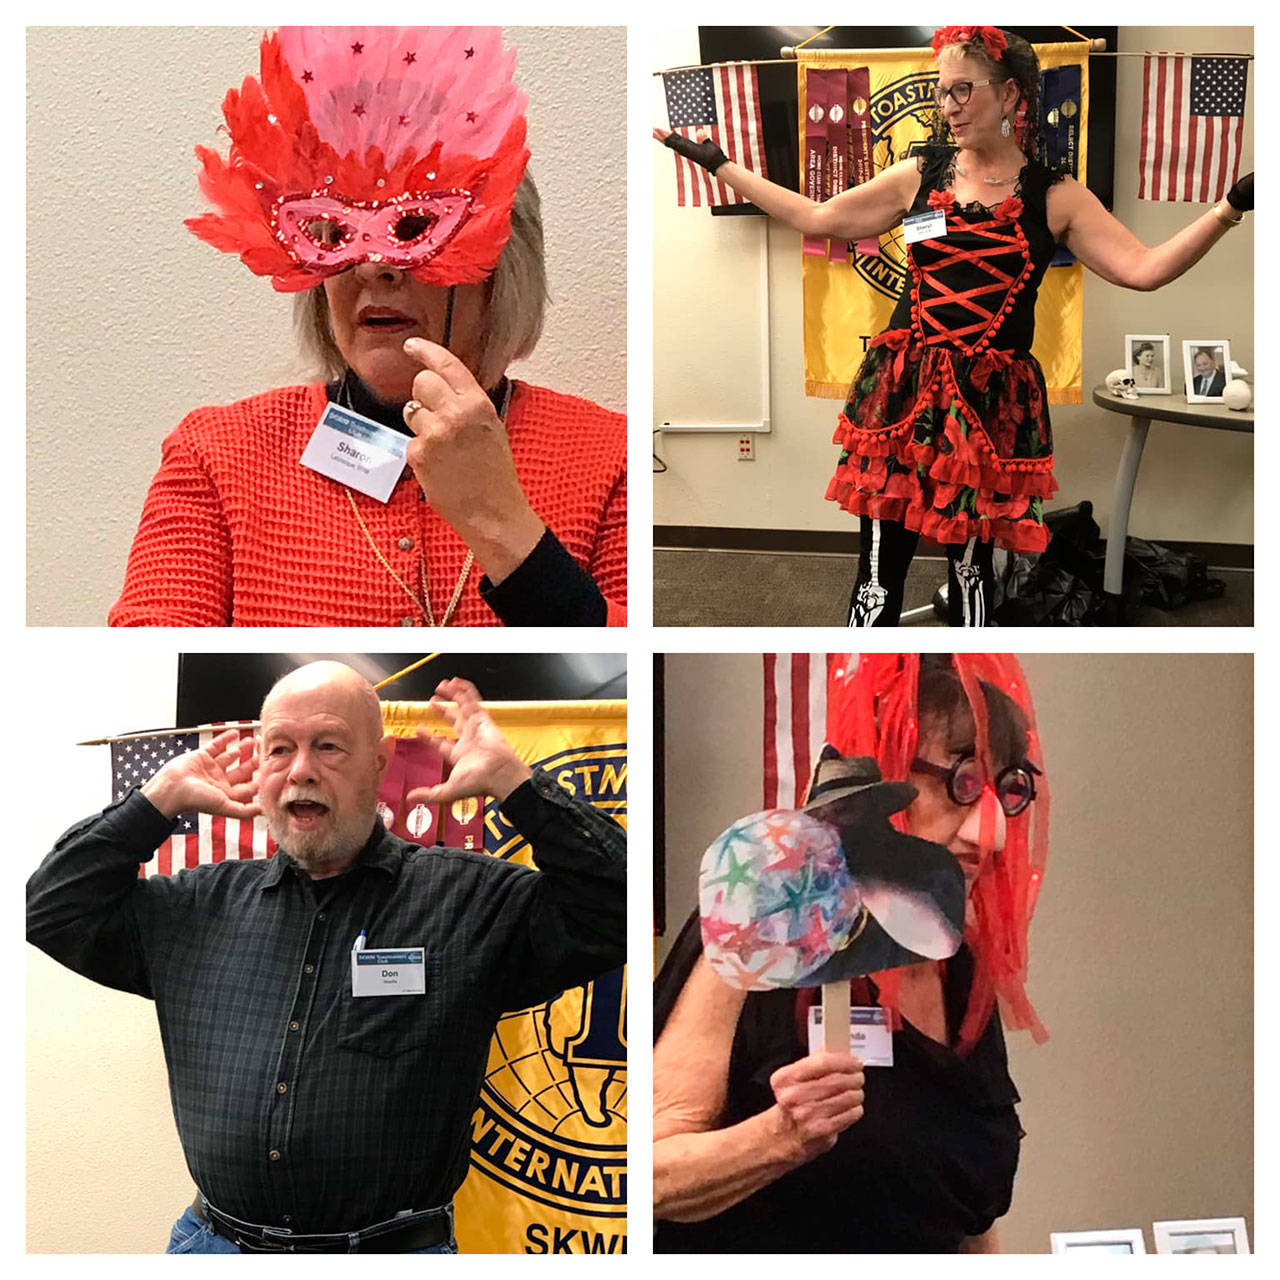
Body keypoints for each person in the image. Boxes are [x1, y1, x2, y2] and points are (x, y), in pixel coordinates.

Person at [657, 25, 1253, 626]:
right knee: (876, 574)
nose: (948, 107)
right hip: (904, 394)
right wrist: (721, 165)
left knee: (971, 575)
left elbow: (1144, 270)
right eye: (943, 93)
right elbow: (819, 216)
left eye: (963, 90)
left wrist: (1228, 208)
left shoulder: (1058, 195)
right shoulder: (921, 173)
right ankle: (869, 682)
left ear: (1013, 95)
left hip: (986, 408)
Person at [27, 665, 627, 1253]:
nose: (301, 771)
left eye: (329, 747)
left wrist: (517, 786)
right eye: (279, 749)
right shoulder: (192, 907)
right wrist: (155, 800)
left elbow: (618, 903)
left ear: (379, 763)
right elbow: (48, 909)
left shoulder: (471, 902)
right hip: (215, 1247)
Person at [110, 27, 626, 628]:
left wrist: (498, 521)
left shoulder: (606, 456)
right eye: (333, 233)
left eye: (413, 229)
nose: (375, 267)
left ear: (502, 265)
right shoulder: (218, 455)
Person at [653, 653, 1048, 1253]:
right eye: (959, 784)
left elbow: (964, 1213)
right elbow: (647, 1178)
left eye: (1007, 791)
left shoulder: (960, 966)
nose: (986, 834)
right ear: (885, 772)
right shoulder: (765, 926)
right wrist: (778, 1139)